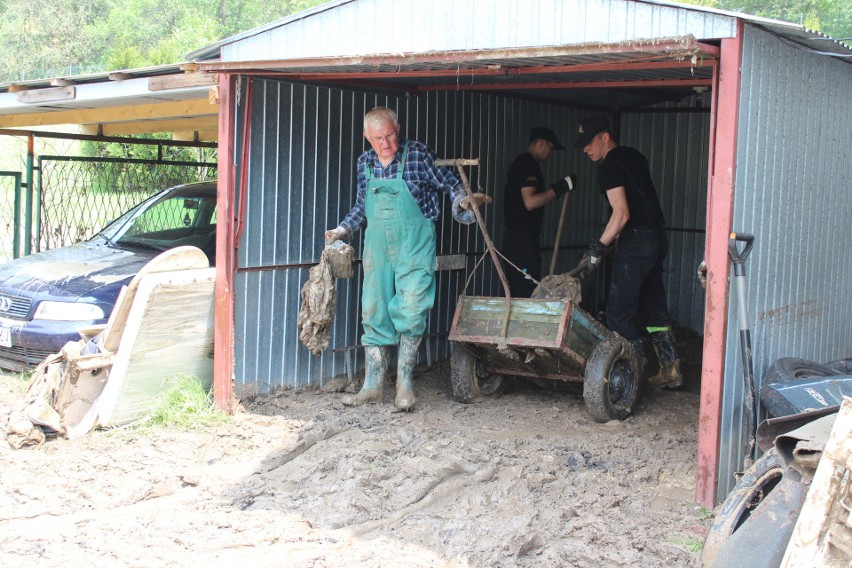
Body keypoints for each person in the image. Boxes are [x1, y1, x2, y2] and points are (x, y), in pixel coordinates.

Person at [325, 107, 479, 411]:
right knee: (374, 310)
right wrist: (342, 229)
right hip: (377, 247)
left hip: (413, 244)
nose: (386, 143)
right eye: (378, 138)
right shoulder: (364, 163)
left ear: (399, 128)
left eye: (391, 135)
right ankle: (372, 385)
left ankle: (404, 383)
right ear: (367, 137)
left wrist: (462, 200)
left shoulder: (418, 155)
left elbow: (451, 183)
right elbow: (361, 206)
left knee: (412, 308)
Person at [574, 114, 683, 389]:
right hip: (656, 238)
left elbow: (621, 214)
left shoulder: (608, 166)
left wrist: (598, 247)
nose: (586, 149)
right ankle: (671, 370)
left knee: (618, 312)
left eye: (589, 143)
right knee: (653, 305)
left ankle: (632, 377)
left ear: (605, 137)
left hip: (637, 241)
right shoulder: (634, 156)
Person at [501, 127, 575, 298]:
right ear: (541, 143)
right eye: (550, 148)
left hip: (517, 240)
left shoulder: (521, 163)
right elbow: (530, 202)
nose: (550, 153)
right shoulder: (527, 164)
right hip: (521, 241)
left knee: (519, 290)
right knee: (526, 292)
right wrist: (558, 189)